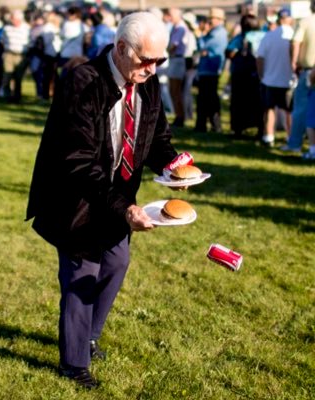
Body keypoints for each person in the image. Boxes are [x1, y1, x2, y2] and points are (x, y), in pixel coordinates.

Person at [26, 11, 187, 389]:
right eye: (146, 59)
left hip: (118, 197)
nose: (152, 68)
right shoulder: (83, 81)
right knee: (83, 274)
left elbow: (157, 137)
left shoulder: (147, 81)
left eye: (159, 61)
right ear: (120, 48)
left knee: (117, 263)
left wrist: (175, 166)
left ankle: (88, 336)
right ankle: (74, 363)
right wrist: (125, 209)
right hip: (77, 196)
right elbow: (78, 161)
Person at [280, 0, 315, 153]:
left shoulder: (306, 22)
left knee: (301, 108)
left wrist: (293, 63)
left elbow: (295, 43)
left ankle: (295, 143)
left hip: (309, 70)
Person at [256, 8, 294, 147]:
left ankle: (269, 136)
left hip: (270, 79)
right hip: (288, 79)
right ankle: (291, 136)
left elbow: (260, 57)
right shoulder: (293, 35)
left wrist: (261, 75)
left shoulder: (269, 36)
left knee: (270, 110)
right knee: (289, 111)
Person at [226, 14, 264, 139]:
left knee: (239, 102)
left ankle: (238, 129)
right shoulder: (264, 35)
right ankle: (260, 129)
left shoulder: (241, 37)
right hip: (258, 74)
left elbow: (230, 52)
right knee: (258, 103)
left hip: (241, 75)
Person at [194, 7, 228, 133]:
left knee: (207, 99)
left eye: (211, 19)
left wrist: (201, 35)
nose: (209, 21)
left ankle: (208, 125)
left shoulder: (218, 34)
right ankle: (208, 125)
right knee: (208, 99)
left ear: (219, 20)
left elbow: (204, 48)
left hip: (210, 70)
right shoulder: (215, 33)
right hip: (207, 70)